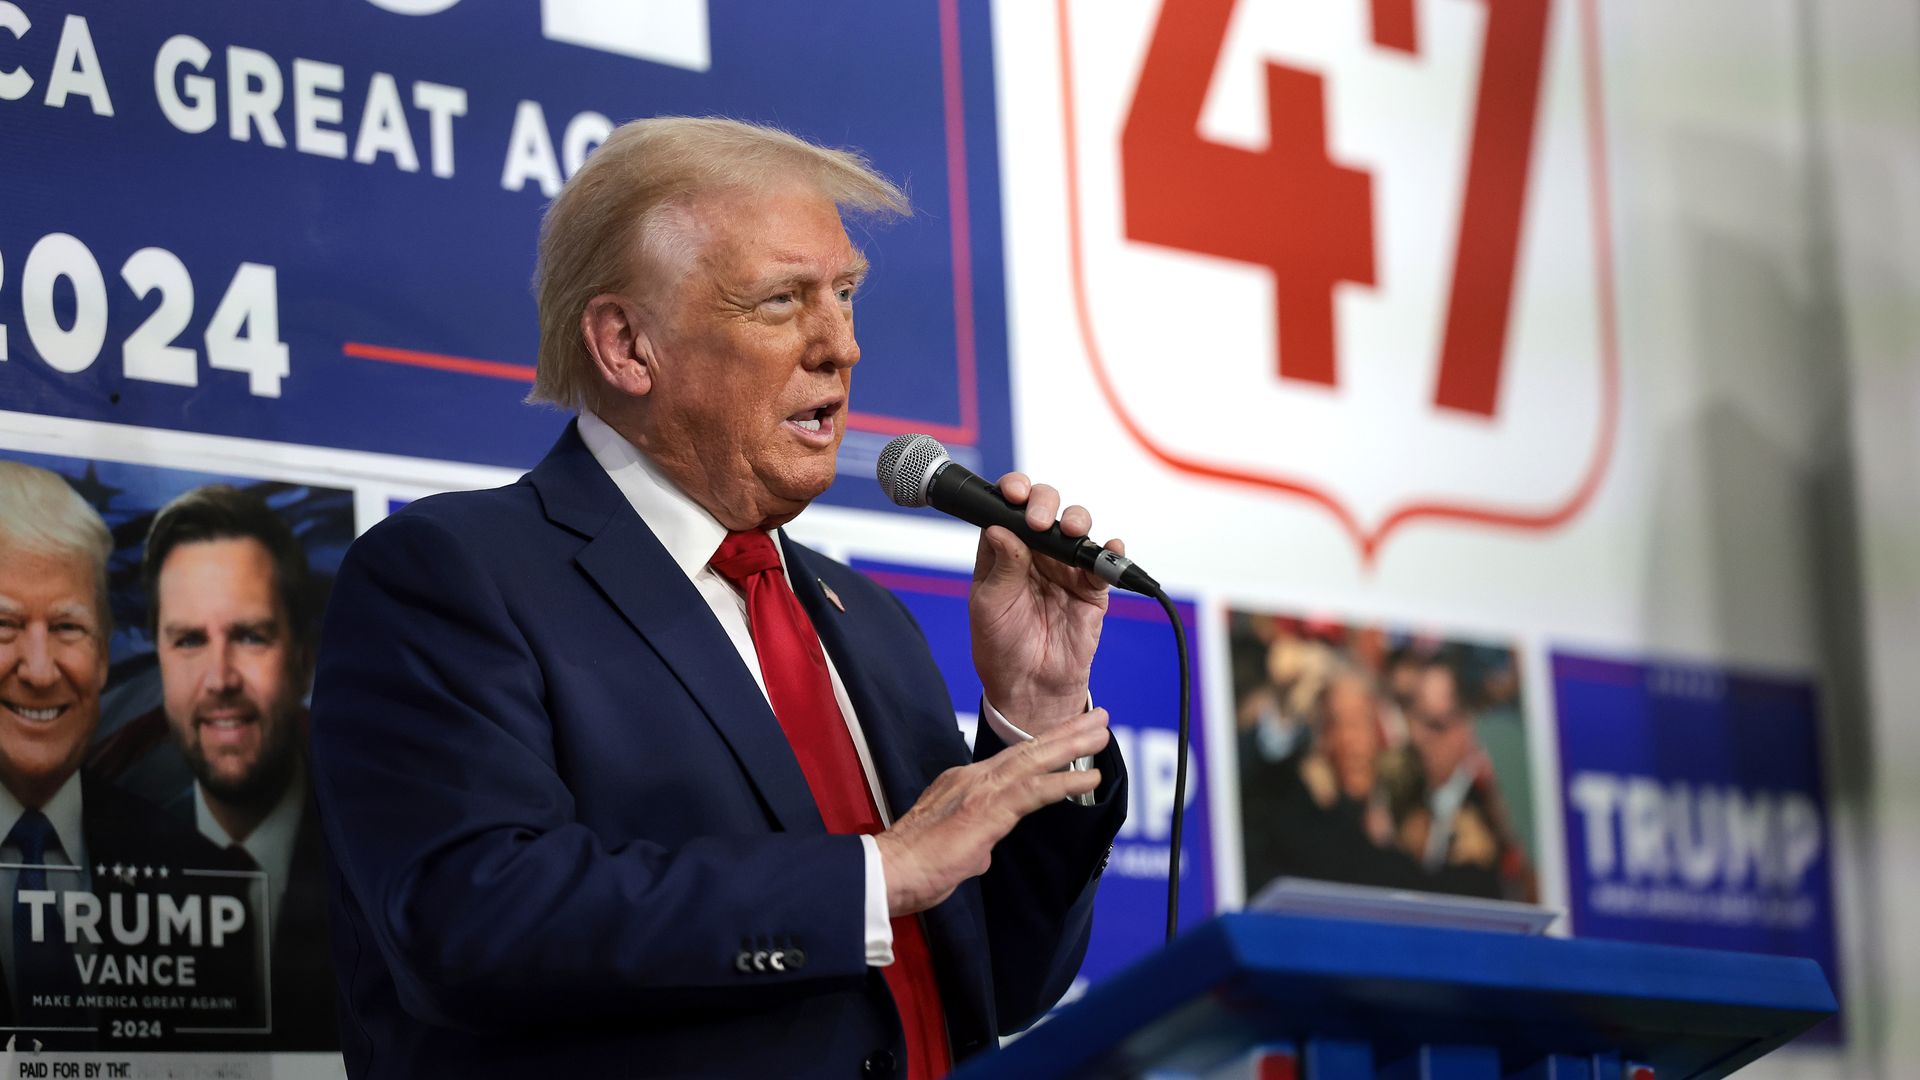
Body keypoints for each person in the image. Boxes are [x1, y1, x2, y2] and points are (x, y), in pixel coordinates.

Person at [308, 117, 1129, 1079]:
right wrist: (875, 875)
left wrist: (1031, 714)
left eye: (847, 293)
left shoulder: (873, 625)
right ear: (626, 345)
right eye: (781, 301)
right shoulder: (452, 575)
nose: (842, 347)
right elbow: (469, 920)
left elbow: (1000, 983)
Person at [0, 462, 245, 1042]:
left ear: (105, 656)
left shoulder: (212, 878)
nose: (39, 670)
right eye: (3, 625)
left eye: (67, 627)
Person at [90, 485, 336, 1048]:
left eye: (250, 636)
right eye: (190, 641)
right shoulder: (93, 855)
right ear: (160, 661)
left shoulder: (378, 851)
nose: (220, 678)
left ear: (302, 662)